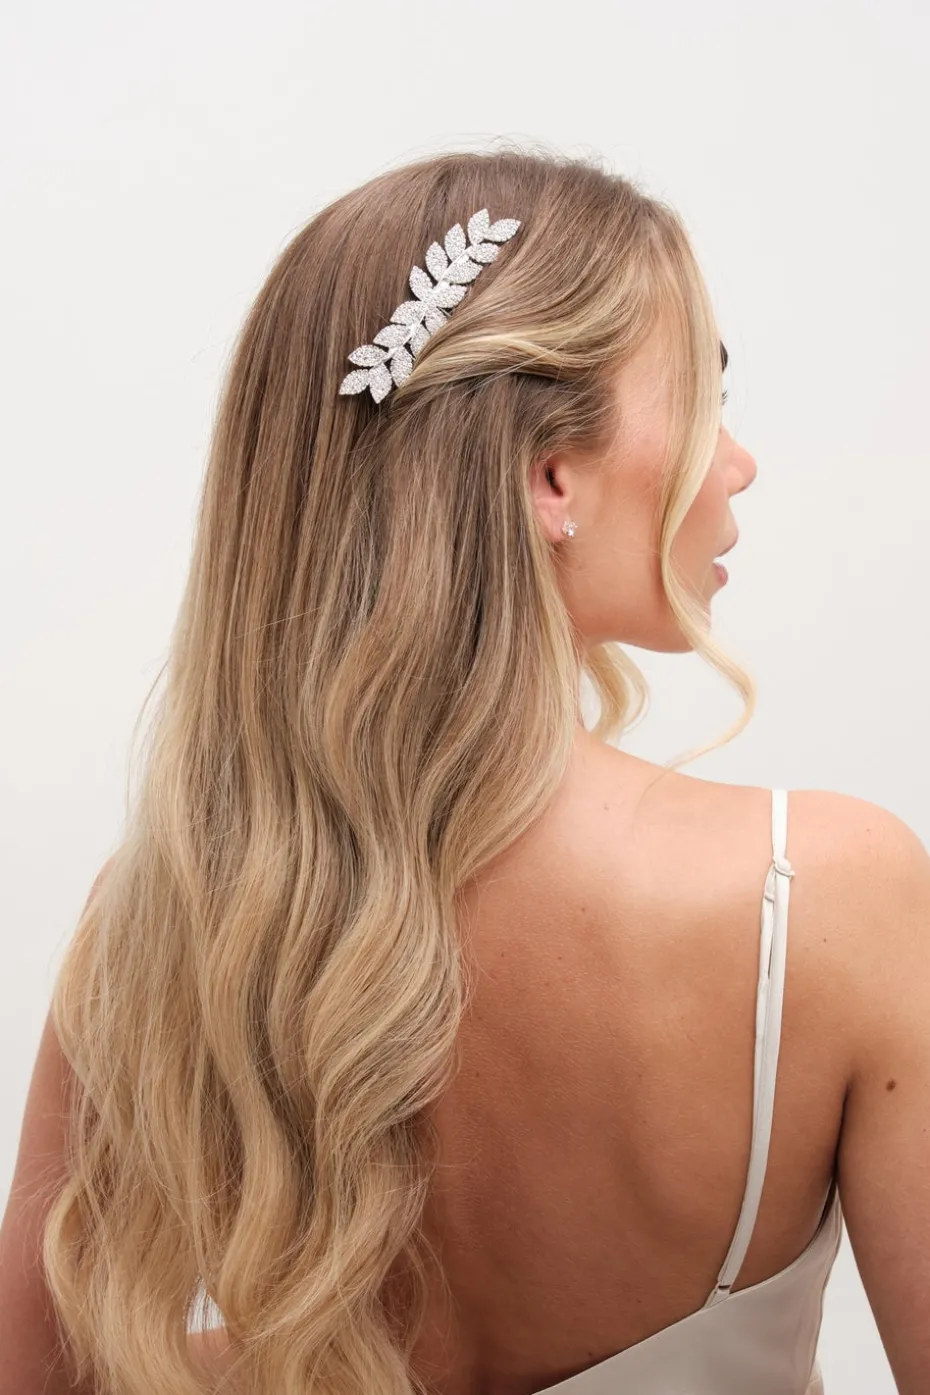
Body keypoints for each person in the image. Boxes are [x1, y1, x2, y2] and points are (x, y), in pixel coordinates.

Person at [2, 146, 929, 1395]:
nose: (739, 462)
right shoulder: (817, 895)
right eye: (706, 400)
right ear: (551, 476)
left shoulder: (167, 916)